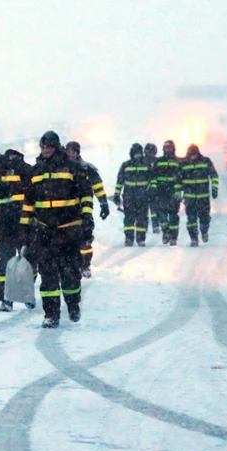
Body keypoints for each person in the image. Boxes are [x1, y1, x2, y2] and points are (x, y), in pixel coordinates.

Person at [29, 131, 93, 328]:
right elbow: (29, 202)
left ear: (56, 147)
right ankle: (51, 314)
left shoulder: (73, 168)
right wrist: (26, 226)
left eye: (48, 146)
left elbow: (86, 195)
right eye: (43, 147)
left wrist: (86, 219)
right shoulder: (36, 171)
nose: (45, 150)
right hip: (44, 232)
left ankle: (73, 305)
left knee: (70, 274)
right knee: (47, 275)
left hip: (68, 231)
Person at [0, 146, 32, 311]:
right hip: (4, 224)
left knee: (27, 258)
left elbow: (31, 190)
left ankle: (26, 294)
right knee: (4, 260)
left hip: (23, 221)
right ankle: (6, 299)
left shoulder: (16, 168)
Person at [65, 140, 110, 276]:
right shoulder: (61, 168)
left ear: (78, 153)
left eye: (73, 151)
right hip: (66, 211)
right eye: (68, 151)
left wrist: (103, 204)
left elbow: (98, 188)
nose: (70, 154)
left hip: (84, 210)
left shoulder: (87, 169)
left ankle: (85, 265)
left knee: (85, 239)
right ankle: (70, 264)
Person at [179, 144, 219, 246]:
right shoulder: (183, 164)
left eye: (194, 154)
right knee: (191, 220)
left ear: (198, 153)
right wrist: (178, 193)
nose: (193, 157)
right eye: (191, 155)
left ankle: (204, 231)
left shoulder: (206, 161)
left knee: (204, 219)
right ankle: (194, 239)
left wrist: (214, 188)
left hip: (203, 197)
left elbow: (214, 175)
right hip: (189, 198)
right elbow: (178, 180)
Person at [113, 143, 151, 247]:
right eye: (135, 153)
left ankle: (140, 239)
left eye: (139, 153)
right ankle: (129, 238)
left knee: (142, 218)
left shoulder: (146, 165)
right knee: (129, 218)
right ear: (131, 153)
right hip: (129, 197)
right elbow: (120, 181)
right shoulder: (125, 165)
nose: (137, 155)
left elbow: (152, 180)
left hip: (143, 197)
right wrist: (116, 195)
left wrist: (151, 191)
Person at [151, 140, 183, 245]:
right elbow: (153, 176)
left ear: (173, 148)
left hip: (173, 193)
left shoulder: (178, 162)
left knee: (173, 216)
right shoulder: (158, 161)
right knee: (161, 215)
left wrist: (179, 192)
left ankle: (173, 238)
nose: (167, 149)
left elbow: (181, 178)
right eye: (165, 148)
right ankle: (165, 231)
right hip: (160, 193)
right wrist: (153, 188)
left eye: (169, 147)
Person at [143, 143, 159, 238]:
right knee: (144, 209)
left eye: (152, 152)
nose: (150, 154)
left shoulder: (158, 161)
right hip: (144, 188)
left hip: (155, 188)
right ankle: (144, 226)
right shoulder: (142, 161)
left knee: (154, 209)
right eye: (149, 152)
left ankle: (155, 225)